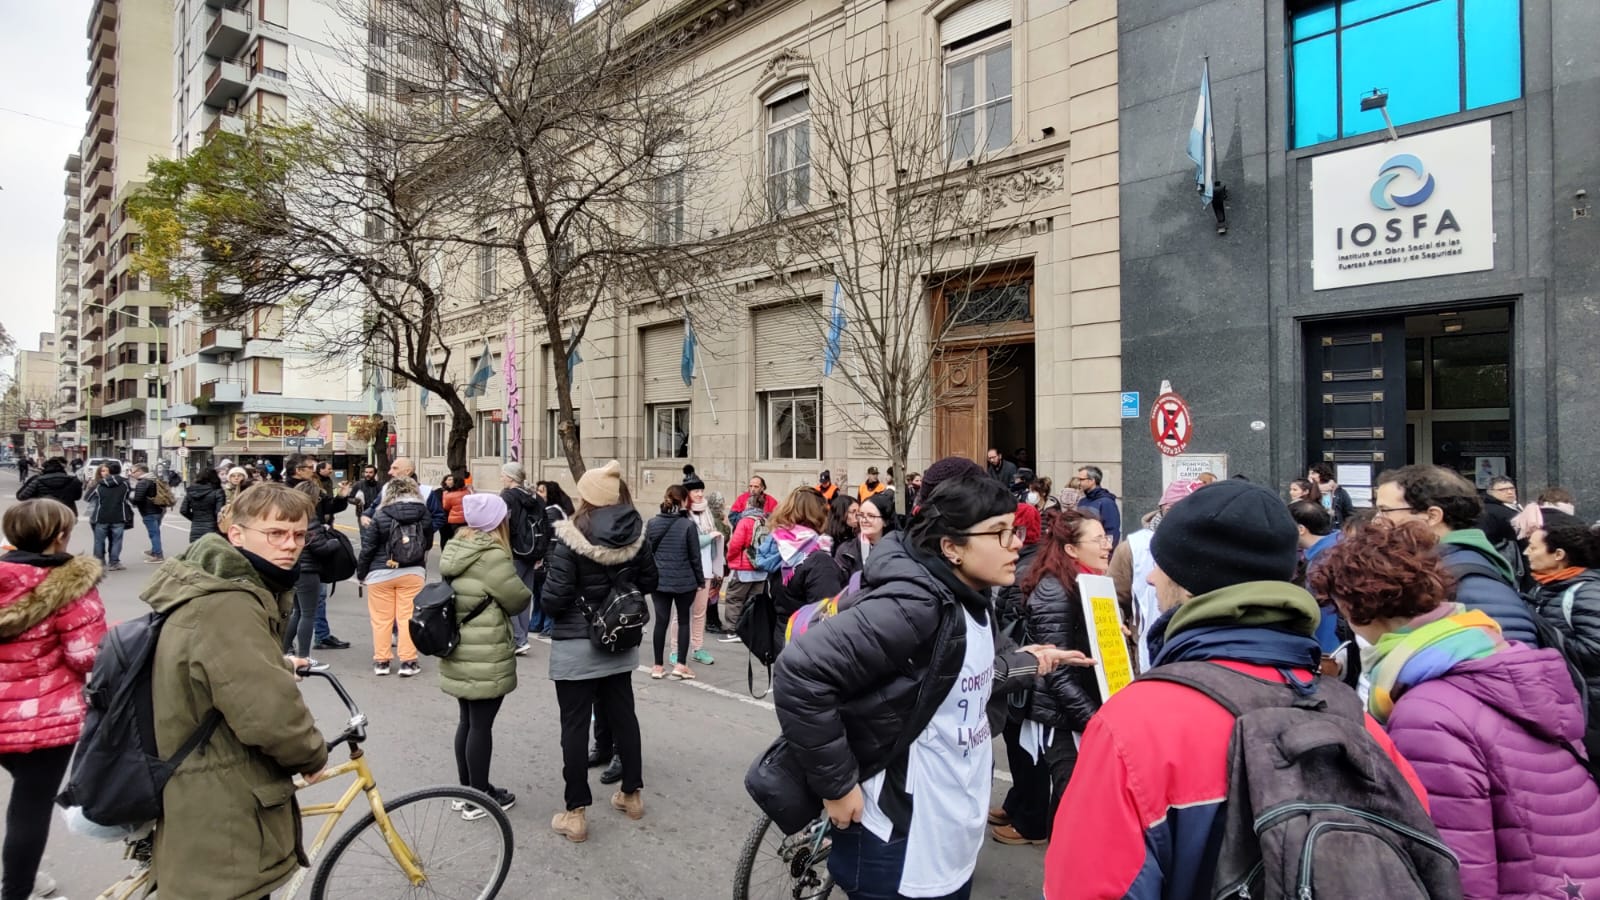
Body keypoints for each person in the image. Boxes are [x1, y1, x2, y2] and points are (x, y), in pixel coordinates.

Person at [1043, 480, 1430, 899]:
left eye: (1162, 565)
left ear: (1191, 584)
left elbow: (1084, 887)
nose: (1152, 579)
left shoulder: (1134, 724)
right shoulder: (1356, 719)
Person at [771, 473, 1096, 899]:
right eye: (999, 533)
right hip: (897, 842)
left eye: (1014, 530)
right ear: (952, 548)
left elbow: (957, 680)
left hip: (947, 831)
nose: (1017, 543)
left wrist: (1030, 662)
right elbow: (800, 671)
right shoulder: (917, 603)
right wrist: (837, 787)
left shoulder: (972, 597)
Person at [1309, 519, 1600, 898]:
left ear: (1356, 606)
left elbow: (1457, 863)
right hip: (1568, 877)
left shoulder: (1426, 711)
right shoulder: (1496, 655)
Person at [141, 483, 327, 899]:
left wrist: (271, 661)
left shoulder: (215, 584)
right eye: (276, 534)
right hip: (221, 804)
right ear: (236, 534)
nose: (290, 545)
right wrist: (311, 753)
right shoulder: (229, 605)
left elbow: (213, 663)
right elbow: (269, 715)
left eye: (299, 535)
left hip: (198, 786)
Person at [541, 460, 659, 842]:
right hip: (620, 641)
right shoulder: (636, 534)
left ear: (587, 498)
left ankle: (575, 813)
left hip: (576, 644)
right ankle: (632, 795)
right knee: (625, 716)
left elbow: (554, 599)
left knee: (574, 727)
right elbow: (650, 580)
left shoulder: (570, 536)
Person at [0, 499, 106, 900]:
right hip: (44, 719)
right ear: (61, 535)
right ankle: (17, 890)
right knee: (29, 808)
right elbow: (88, 655)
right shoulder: (69, 587)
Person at [992, 508, 1109, 846]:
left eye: (1106, 538)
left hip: (1077, 711)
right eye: (1098, 539)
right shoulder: (1055, 589)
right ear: (1071, 550)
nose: (1106, 546)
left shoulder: (1089, 584)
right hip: (1060, 718)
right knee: (1074, 806)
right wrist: (1094, 721)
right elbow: (1059, 673)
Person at [439, 493, 533, 820]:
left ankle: (466, 790)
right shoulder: (491, 556)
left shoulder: (456, 547)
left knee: (467, 721)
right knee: (481, 726)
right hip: (485, 649)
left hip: (460, 645)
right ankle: (478, 798)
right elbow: (518, 599)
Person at [1374, 465, 1539, 645]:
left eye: (1385, 511)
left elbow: (1514, 663)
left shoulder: (1470, 579)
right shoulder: (1442, 566)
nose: (1377, 521)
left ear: (1432, 516)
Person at [1526, 510, 1600, 759]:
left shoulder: (1586, 592)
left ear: (1558, 555)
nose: (1526, 553)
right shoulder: (1543, 587)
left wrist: (1544, 637)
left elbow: (1595, 651)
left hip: (1592, 709)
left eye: (1533, 547)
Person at [1107, 479, 1196, 673]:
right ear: (1164, 509)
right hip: (1147, 655)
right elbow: (1114, 600)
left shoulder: (1210, 545)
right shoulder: (1133, 548)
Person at [357, 476, 433, 677]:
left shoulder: (381, 514)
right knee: (407, 617)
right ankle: (408, 661)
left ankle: (382, 661)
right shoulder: (423, 513)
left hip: (380, 572)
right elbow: (428, 543)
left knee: (381, 619)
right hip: (412, 571)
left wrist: (362, 573)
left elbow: (369, 547)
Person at [769, 488, 845, 639]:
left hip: (783, 635)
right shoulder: (818, 559)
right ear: (820, 515)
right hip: (807, 642)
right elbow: (826, 614)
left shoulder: (780, 547)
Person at [646, 485, 703, 681]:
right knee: (684, 620)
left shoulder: (653, 523)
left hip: (659, 580)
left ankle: (657, 665)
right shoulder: (688, 526)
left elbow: (647, 553)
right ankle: (680, 665)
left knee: (660, 622)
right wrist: (700, 581)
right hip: (684, 580)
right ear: (683, 501)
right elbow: (695, 557)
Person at [500, 462, 550, 651]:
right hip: (532, 552)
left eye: (503, 475)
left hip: (514, 551)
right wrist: (540, 552)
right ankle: (523, 636)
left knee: (508, 596)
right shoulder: (534, 496)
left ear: (511, 478)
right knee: (523, 596)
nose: (501, 478)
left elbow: (503, 523)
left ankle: (519, 639)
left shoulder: (507, 496)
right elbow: (545, 525)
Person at [676, 465, 721, 667]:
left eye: (701, 490)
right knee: (681, 612)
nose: (700, 494)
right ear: (688, 493)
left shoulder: (707, 513)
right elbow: (689, 540)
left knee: (700, 611)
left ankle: (697, 647)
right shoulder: (682, 514)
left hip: (706, 568)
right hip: (687, 569)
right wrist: (709, 537)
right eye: (696, 491)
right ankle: (675, 649)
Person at [722, 481, 771, 641]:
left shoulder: (745, 521)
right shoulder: (767, 521)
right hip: (761, 569)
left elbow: (735, 544)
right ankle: (749, 629)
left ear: (749, 504)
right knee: (753, 601)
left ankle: (733, 631)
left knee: (735, 598)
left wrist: (730, 559)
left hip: (744, 567)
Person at [86, 460, 134, 572]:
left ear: (109, 471)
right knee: (117, 540)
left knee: (99, 541)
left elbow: (88, 498)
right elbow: (128, 497)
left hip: (101, 516)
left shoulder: (99, 485)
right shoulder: (125, 483)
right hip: (119, 515)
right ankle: (114, 562)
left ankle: (99, 562)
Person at [834, 492, 895, 580]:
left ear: (885, 521)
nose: (864, 520)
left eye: (871, 516)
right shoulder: (845, 551)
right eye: (861, 515)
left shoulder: (896, 549)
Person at [1071, 465, 1122, 546]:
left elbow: (1112, 531)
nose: (1078, 483)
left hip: (1099, 552)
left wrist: (1107, 554)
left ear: (1092, 481)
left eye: (1081, 479)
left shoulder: (1106, 502)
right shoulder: (1082, 501)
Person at [179, 467, 228, 545]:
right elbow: (219, 512)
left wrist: (195, 518)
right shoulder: (218, 492)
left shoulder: (191, 491)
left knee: (197, 554)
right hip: (212, 529)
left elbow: (183, 510)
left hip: (195, 529)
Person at [130, 463, 167, 563]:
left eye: (133, 472)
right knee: (156, 532)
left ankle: (158, 555)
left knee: (154, 533)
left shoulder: (143, 482)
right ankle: (155, 551)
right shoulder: (154, 479)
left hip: (149, 511)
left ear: (140, 471)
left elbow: (138, 499)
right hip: (159, 510)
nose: (131, 474)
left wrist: (129, 498)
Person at [16, 457, 82, 512]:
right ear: (63, 468)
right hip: (66, 513)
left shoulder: (37, 480)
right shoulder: (73, 480)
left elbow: (22, 496)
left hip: (43, 513)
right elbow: (77, 497)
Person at [1308, 462, 1355, 528]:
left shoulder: (1339, 491)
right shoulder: (1308, 490)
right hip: (1315, 530)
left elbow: (1349, 513)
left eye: (1313, 473)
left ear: (1322, 473)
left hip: (1335, 529)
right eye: (1309, 474)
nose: (1310, 476)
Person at [437, 470, 469, 550]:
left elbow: (446, 506)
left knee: (453, 539)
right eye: (449, 479)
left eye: (452, 480)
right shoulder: (466, 491)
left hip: (453, 520)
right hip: (450, 520)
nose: (450, 481)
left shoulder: (450, 494)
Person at [826, 493, 860, 566]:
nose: (858, 516)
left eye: (859, 512)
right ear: (841, 513)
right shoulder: (828, 540)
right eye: (853, 512)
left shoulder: (855, 534)